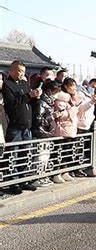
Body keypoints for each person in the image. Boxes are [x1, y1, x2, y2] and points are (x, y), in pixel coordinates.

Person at [2, 61, 42, 194]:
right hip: (15, 126)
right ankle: (12, 182)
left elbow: (29, 101)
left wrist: (35, 97)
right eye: (19, 71)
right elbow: (12, 104)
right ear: (12, 70)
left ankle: (23, 180)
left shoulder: (25, 83)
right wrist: (28, 96)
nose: (21, 74)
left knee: (26, 154)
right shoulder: (7, 85)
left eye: (23, 71)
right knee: (13, 155)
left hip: (27, 125)